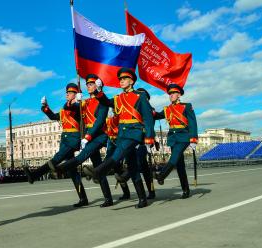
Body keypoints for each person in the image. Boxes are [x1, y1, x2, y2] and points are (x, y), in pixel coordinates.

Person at [84, 68, 155, 208]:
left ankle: (97, 171)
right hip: (122, 134)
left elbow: (148, 118)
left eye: (124, 79)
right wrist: (98, 91)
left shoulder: (140, 96)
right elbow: (106, 102)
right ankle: (142, 199)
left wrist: (149, 138)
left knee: (117, 153)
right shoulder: (118, 98)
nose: (121, 81)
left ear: (131, 81)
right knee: (133, 167)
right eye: (120, 79)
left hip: (134, 133)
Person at [51, 74, 113, 207]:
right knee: (98, 166)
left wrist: (88, 136)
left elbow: (99, 121)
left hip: (99, 135)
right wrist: (74, 103)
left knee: (82, 157)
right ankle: (107, 198)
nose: (88, 87)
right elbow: (69, 109)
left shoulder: (102, 101)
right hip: (87, 137)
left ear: (98, 85)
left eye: (91, 84)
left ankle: (59, 169)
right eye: (87, 85)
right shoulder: (85, 102)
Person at [23, 83, 88, 207]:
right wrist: (45, 107)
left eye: (70, 92)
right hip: (65, 139)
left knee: (56, 159)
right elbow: (53, 116)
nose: (67, 94)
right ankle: (83, 198)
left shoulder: (79, 106)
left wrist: (77, 101)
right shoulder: (65, 109)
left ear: (76, 94)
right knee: (72, 171)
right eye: (67, 93)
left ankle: (34, 175)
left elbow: (74, 109)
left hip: (73, 139)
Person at [153, 83, 198, 199]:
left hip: (184, 137)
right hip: (173, 138)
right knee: (179, 164)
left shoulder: (187, 106)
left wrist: (193, 139)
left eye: (173, 93)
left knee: (174, 156)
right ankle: (186, 190)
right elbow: (157, 115)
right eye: (170, 94)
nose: (171, 95)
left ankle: (162, 175)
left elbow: (192, 122)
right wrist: (150, 110)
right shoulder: (167, 109)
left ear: (179, 95)